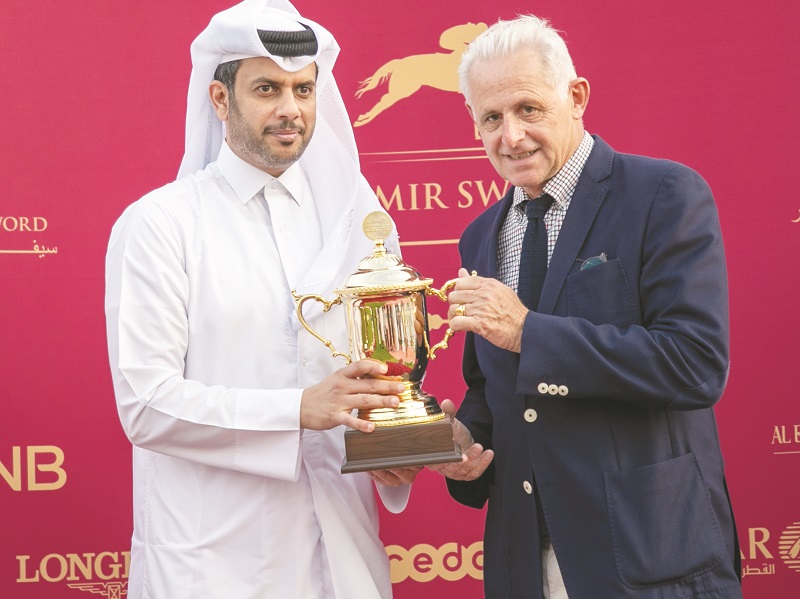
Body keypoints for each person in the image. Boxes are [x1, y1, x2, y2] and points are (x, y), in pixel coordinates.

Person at [104, 1, 419, 597]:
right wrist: (297, 410)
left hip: (343, 552)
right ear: (220, 100)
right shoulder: (160, 224)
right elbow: (145, 404)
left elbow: (373, 378)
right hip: (214, 564)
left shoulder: (358, 217)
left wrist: (394, 446)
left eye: (304, 89)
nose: (290, 109)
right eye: (267, 89)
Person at [429, 15, 743, 599]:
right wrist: (465, 443)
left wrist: (529, 332)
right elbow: (492, 387)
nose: (511, 136)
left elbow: (695, 364)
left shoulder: (663, 194)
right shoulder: (479, 237)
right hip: (523, 563)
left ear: (576, 98)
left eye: (528, 108)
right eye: (491, 118)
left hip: (649, 555)